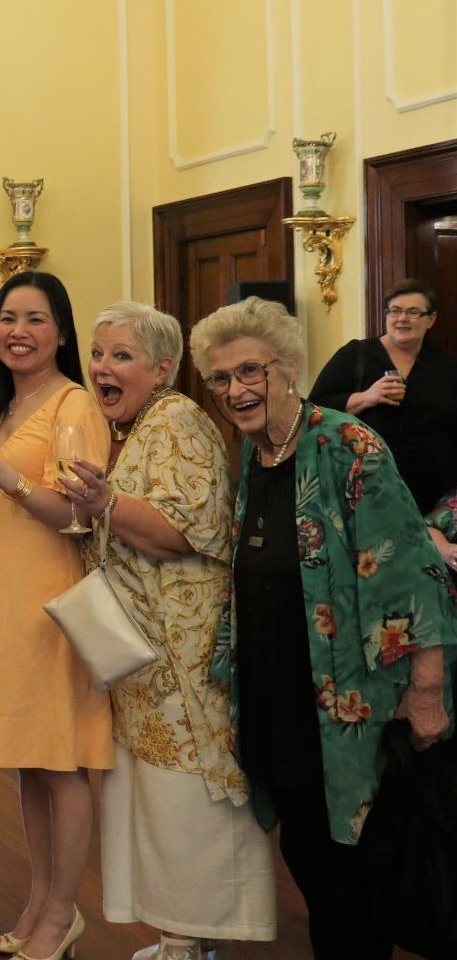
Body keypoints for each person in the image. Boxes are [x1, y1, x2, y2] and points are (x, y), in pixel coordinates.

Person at [189, 296, 453, 960]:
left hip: (349, 707)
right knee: (310, 858)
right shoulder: (254, 457)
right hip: (280, 698)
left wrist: (426, 687)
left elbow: (413, 571)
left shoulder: (346, 443)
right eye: (219, 378)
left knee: (352, 879)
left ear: (286, 368)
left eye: (249, 370)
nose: (235, 390)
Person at [67, 303, 275, 960]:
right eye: (98, 353)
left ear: (162, 367)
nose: (103, 366)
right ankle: (179, 935)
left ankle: (203, 934)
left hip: (182, 660)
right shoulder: (124, 426)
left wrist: (105, 505)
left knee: (189, 805)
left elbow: (187, 528)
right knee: (153, 802)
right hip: (142, 663)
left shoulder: (177, 418)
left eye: (121, 355)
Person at [0, 271, 111, 960]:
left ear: (62, 332)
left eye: (35, 319)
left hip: (48, 604)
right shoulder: (5, 404)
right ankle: (42, 904)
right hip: (3, 601)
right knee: (27, 764)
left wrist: (2, 477)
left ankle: (62, 910)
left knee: (60, 767)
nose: (18, 330)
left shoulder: (72, 402)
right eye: (7, 317)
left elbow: (76, 513)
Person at [308, 278, 457, 514]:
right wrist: (367, 397)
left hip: (433, 496)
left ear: (431, 320)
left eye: (413, 312)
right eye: (395, 311)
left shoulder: (445, 365)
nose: (402, 319)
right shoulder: (357, 355)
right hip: (365, 488)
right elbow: (315, 407)